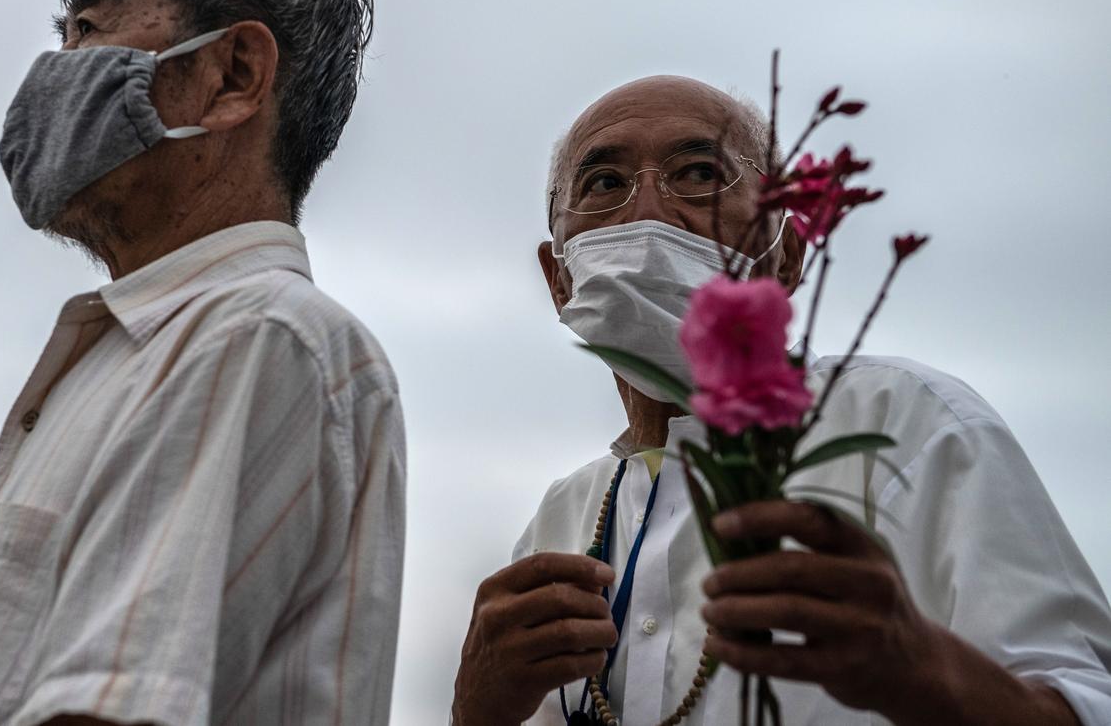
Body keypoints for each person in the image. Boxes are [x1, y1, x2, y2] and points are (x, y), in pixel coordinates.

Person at [451, 75, 1111, 725]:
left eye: (698, 174)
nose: (646, 210)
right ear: (559, 279)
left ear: (787, 255)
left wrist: (924, 669)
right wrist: (477, 709)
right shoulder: (563, 518)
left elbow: (1083, 701)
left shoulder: (910, 423)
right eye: (604, 184)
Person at [0, 0, 404, 724]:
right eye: (62, 34)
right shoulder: (133, 352)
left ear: (233, 75)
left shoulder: (254, 335)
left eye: (89, 28)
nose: (55, 71)